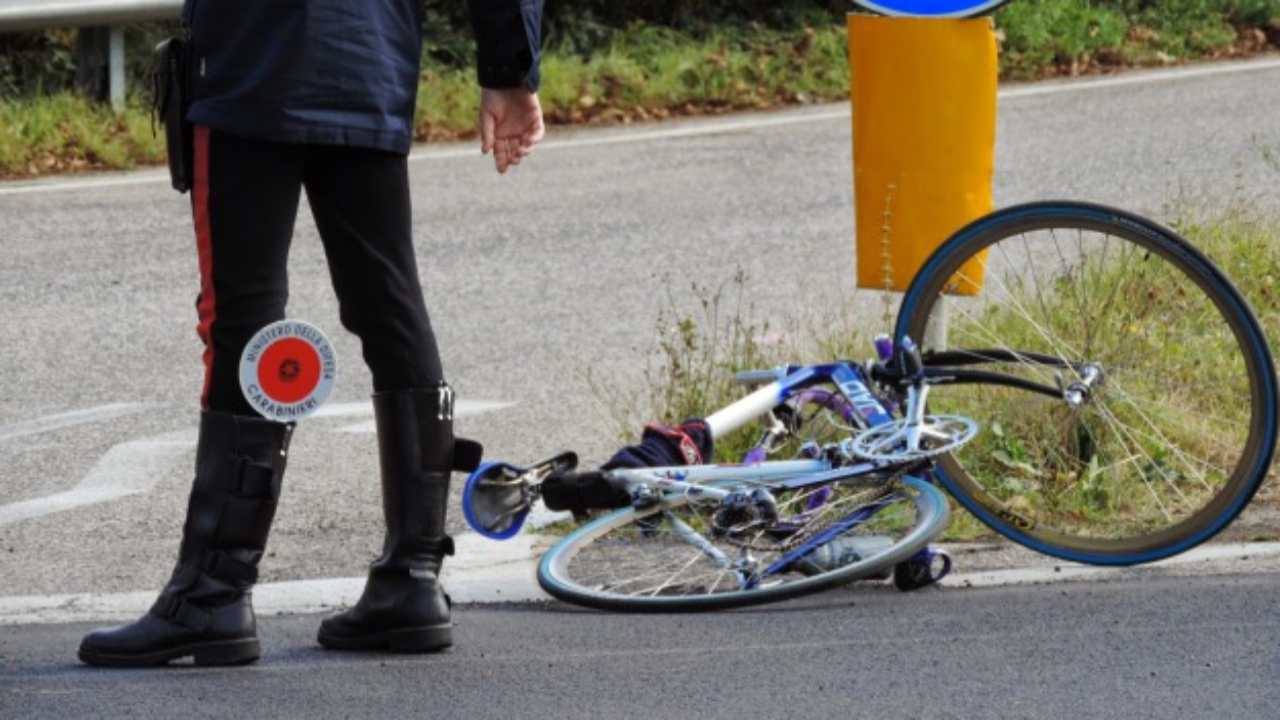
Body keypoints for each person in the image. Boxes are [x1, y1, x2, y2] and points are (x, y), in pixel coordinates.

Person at [77, 0, 545, 667]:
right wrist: (509, 69)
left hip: (251, 60)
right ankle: (411, 579)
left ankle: (213, 592)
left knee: (241, 319)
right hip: (370, 58)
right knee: (391, 306)